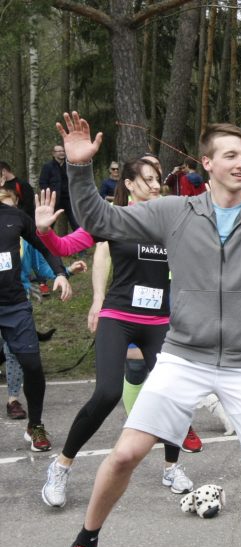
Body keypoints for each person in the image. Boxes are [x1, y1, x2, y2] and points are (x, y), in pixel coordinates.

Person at [51, 102, 241, 547]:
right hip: (184, 355)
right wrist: (78, 166)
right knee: (125, 455)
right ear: (207, 164)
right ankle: (82, 546)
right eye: (230, 155)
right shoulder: (175, 212)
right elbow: (98, 218)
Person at [37, 159, 201, 509]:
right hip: (119, 315)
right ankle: (62, 464)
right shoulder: (114, 219)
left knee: (174, 394)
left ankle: (172, 467)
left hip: (159, 321)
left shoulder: (172, 220)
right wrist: (44, 232)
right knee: (108, 392)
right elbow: (65, 247)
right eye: (147, 180)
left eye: (158, 179)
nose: (156, 185)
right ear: (128, 183)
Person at [0, 185, 72, 451]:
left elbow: (44, 245)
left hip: (14, 305)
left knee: (32, 366)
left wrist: (60, 273)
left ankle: (36, 425)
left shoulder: (14, 216)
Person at [39, 144, 78, 230]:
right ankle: (44, 242)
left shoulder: (70, 166)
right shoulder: (48, 166)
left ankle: (81, 241)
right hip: (54, 199)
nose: (62, 153)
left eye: (63, 151)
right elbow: (42, 183)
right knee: (49, 224)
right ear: (53, 154)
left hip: (69, 198)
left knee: (75, 222)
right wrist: (49, 195)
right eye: (59, 151)